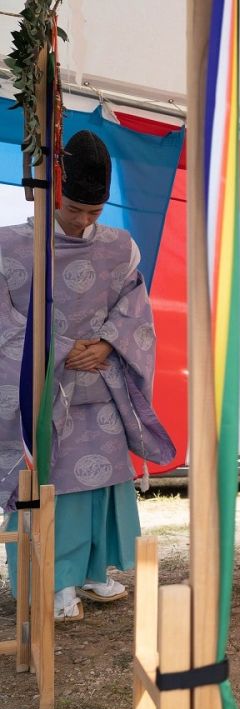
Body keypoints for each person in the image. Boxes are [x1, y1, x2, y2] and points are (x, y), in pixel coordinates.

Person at [0, 130, 175, 622]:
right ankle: (54, 583)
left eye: (94, 212)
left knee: (106, 482)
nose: (83, 221)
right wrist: (54, 350)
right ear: (56, 190)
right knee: (55, 483)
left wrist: (106, 344)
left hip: (101, 385)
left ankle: (96, 570)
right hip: (42, 390)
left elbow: (135, 309)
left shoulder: (120, 248)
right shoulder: (13, 246)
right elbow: (3, 321)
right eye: (75, 208)